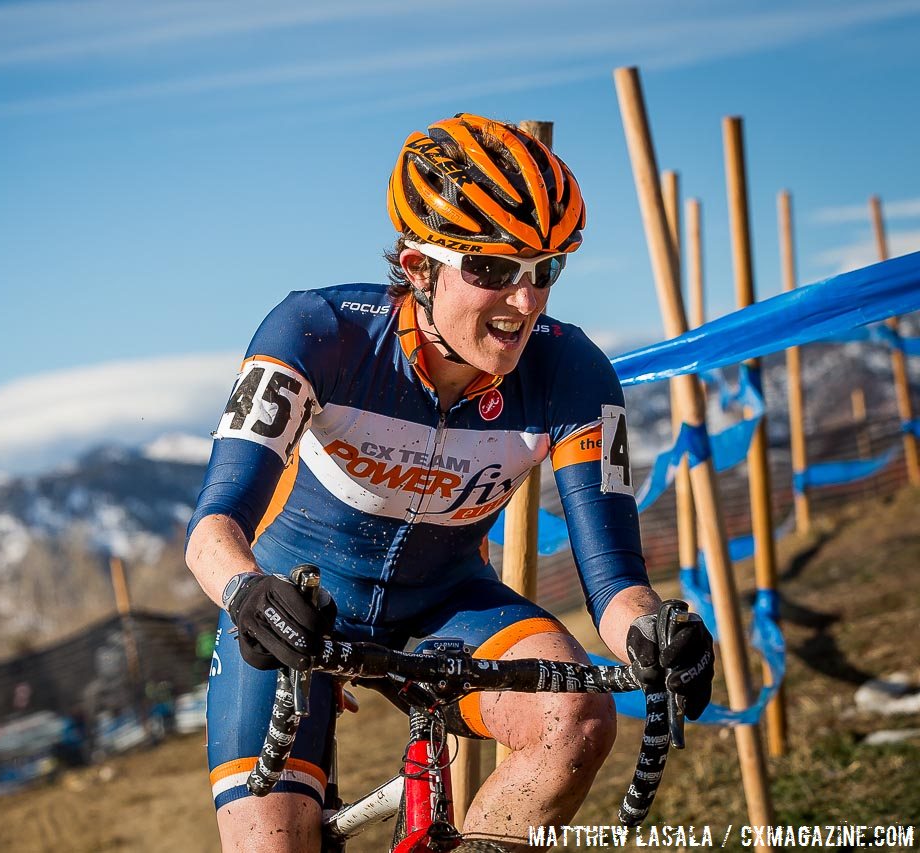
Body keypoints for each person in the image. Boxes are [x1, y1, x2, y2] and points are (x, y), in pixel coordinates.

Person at [185, 113, 714, 852]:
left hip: (448, 605)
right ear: (417, 266)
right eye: (493, 270)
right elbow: (213, 529)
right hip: (294, 609)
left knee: (580, 714)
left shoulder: (574, 374)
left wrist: (656, 635)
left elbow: (616, 580)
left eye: (545, 270)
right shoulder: (316, 333)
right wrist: (248, 593)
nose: (525, 302)